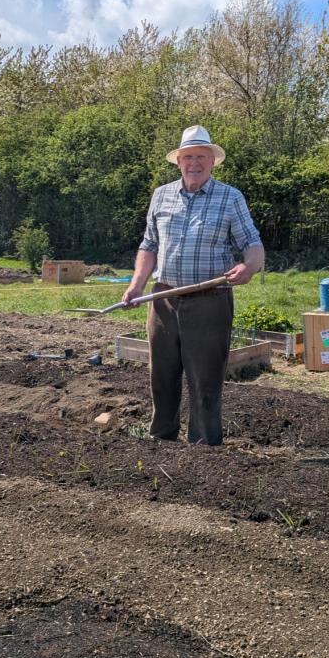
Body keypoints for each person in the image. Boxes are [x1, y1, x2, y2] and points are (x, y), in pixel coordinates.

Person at [122, 125, 264, 446]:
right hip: (164, 300)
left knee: (205, 381)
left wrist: (249, 267)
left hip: (209, 301)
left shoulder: (229, 197)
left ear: (212, 161)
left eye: (201, 156)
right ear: (178, 161)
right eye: (188, 157)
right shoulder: (161, 195)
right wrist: (136, 285)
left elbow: (252, 244)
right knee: (162, 376)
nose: (194, 163)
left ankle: (204, 449)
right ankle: (161, 441)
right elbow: (149, 245)